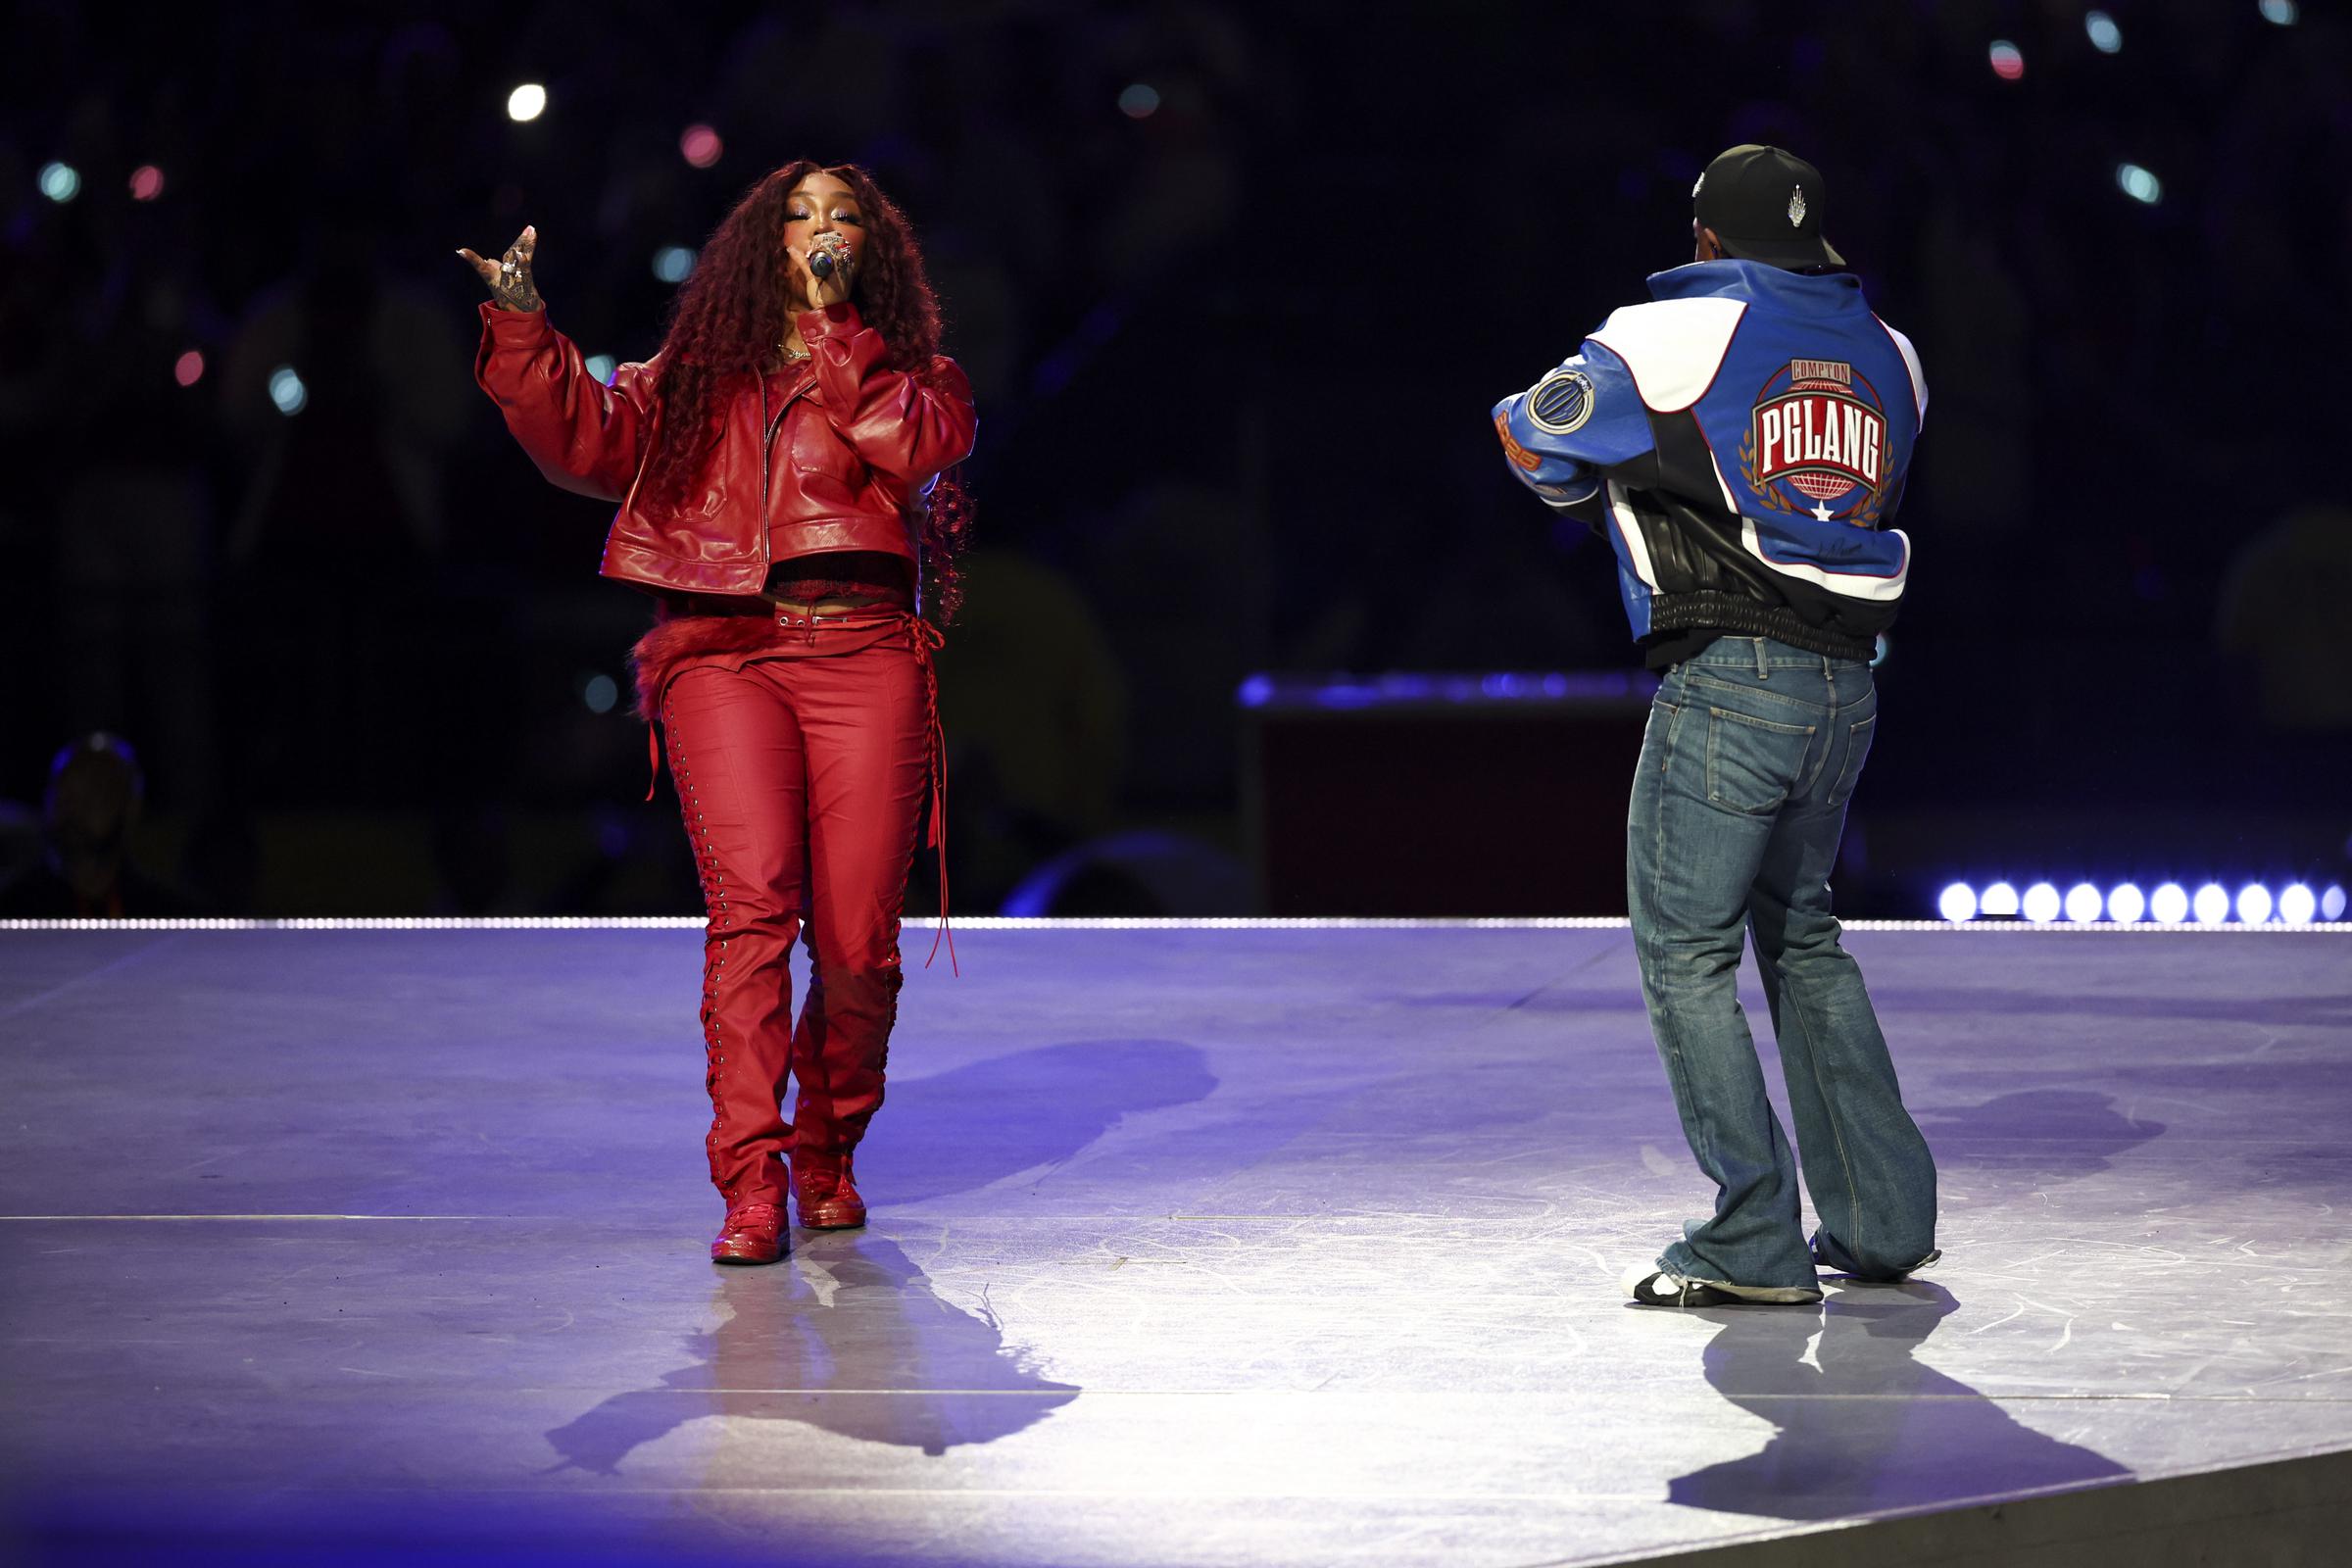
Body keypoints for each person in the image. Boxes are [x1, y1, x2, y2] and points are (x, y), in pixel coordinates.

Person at [463, 162, 977, 1266]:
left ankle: (825, 1148)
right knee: (753, 912)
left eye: (842, 217)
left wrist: (841, 334)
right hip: (725, 652)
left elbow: (912, 447)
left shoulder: (914, 375)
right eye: (800, 216)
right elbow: (587, 444)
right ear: (761, 244)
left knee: (857, 947)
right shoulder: (694, 377)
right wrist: (521, 328)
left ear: (870, 248)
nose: (820, 230)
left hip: (866, 650)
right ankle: (749, 1180)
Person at [1492, 146, 1938, 1307]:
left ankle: (1751, 1234)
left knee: (1686, 957)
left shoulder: (1670, 331)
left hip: (1728, 677)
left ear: (1704, 239)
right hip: (1848, 691)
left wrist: (1595, 489)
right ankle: (1883, 1222)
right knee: (1803, 937)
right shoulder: (1896, 358)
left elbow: (1532, 433)